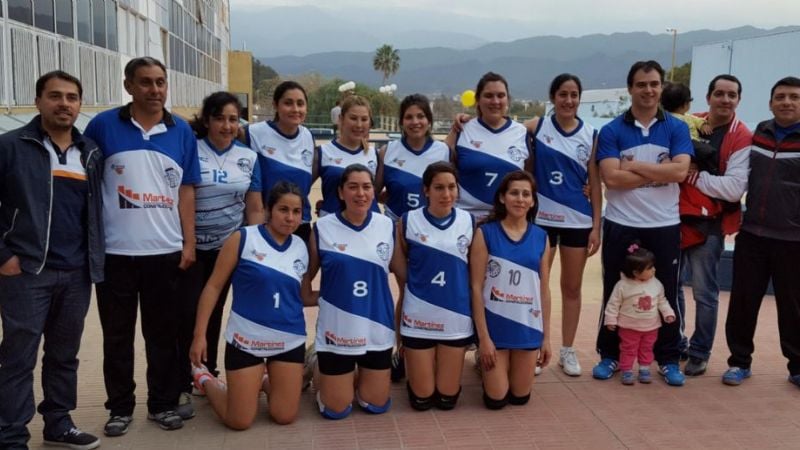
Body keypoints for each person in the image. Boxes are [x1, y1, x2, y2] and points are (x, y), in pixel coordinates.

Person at [84, 56, 201, 434]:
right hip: (115, 253)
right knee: (117, 336)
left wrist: (189, 242)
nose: (154, 90)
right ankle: (119, 408)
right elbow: (88, 184)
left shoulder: (181, 132)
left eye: (160, 82)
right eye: (146, 82)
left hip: (164, 252)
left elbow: (187, 191)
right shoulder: (102, 126)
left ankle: (162, 404)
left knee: (162, 336)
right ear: (129, 86)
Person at [0, 71, 103, 450]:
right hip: (26, 271)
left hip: (76, 273)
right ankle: (11, 435)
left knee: (64, 355)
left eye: (72, 97)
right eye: (55, 96)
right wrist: (4, 256)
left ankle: (58, 424)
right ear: (38, 101)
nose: (64, 104)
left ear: (80, 104)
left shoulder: (90, 152)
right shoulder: (11, 146)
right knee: (18, 357)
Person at [593, 60, 692, 387]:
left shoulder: (676, 128)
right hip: (622, 223)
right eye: (641, 84)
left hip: (664, 224)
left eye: (654, 84)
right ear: (630, 88)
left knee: (667, 293)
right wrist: (660, 171)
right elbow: (611, 179)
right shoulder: (611, 131)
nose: (648, 90)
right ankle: (610, 355)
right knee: (614, 291)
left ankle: (668, 358)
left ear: (661, 87)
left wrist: (632, 168)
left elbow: (680, 172)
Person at [190, 182, 312, 428]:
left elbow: (304, 295)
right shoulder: (243, 238)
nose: (290, 218)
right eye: (283, 210)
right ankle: (205, 379)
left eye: (296, 211)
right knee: (239, 421)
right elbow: (213, 287)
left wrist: (343, 297)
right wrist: (199, 335)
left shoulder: (301, 246)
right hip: (246, 340)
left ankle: (264, 380)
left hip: (288, 340)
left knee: (284, 416)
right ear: (268, 210)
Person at [177, 92, 264, 406]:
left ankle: (205, 371)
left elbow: (254, 207)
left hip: (226, 249)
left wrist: (254, 248)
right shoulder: (192, 149)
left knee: (213, 312)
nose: (227, 126)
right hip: (191, 248)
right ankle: (180, 377)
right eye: (220, 119)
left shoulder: (248, 157)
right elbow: (182, 195)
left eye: (233, 119)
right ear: (207, 120)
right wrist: (187, 242)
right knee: (186, 312)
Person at [305, 164, 403, 419]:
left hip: (376, 326)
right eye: (353, 187)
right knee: (336, 409)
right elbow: (306, 280)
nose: (361, 193)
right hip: (337, 330)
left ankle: (353, 376)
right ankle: (315, 360)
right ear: (341, 192)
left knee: (375, 404)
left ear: (373, 191)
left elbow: (403, 274)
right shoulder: (323, 227)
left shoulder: (387, 226)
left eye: (367, 187)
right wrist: (328, 298)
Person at [722, 76, 800, 388]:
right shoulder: (756, 135)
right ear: (770, 103)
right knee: (743, 302)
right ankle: (739, 362)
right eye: (780, 97)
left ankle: (797, 366)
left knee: (793, 307)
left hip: (793, 240)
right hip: (752, 234)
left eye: (794, 97)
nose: (787, 102)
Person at [675, 75, 751, 376]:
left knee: (704, 292)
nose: (725, 100)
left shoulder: (741, 136)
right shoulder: (688, 122)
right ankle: (676, 343)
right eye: (719, 93)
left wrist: (691, 176)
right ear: (708, 98)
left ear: (738, 100)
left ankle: (699, 351)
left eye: (732, 95)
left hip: (710, 224)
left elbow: (733, 189)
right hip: (674, 217)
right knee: (671, 286)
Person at [527, 74, 602, 376]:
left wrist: (596, 226)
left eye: (574, 95)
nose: (568, 100)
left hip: (577, 221)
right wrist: (467, 120)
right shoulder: (537, 127)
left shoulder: (591, 134)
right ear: (552, 97)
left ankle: (567, 350)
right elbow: (500, 127)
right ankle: (535, 347)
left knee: (571, 287)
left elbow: (595, 183)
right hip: (541, 221)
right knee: (537, 286)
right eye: (563, 94)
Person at [394, 162, 473, 411]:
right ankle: (411, 362)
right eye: (439, 187)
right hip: (419, 317)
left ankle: (434, 362)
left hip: (455, 318)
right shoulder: (408, 221)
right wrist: (419, 287)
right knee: (422, 399)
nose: (446, 194)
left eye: (451, 187)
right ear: (426, 190)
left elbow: (475, 271)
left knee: (447, 400)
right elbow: (400, 266)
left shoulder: (469, 221)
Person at [470, 170, 552, 410]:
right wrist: (483, 339)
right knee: (496, 400)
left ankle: (504, 367)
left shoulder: (541, 237)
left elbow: (544, 291)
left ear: (533, 201)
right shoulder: (485, 233)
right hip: (495, 329)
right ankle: (482, 360)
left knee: (520, 398)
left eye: (526, 194)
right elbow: (476, 287)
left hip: (527, 327)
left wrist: (546, 338)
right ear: (502, 197)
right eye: (514, 193)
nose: (520, 199)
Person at [446, 72, 531, 219]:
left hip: (506, 221)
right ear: (478, 100)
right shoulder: (462, 129)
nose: (495, 101)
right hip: (466, 219)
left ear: (508, 99)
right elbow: (439, 164)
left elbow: (530, 178)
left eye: (501, 95)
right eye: (488, 96)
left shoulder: (522, 133)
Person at [246, 81, 316, 240]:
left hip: (300, 224)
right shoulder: (253, 133)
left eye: (300, 104)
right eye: (288, 103)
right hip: (266, 224)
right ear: (275, 105)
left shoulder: (308, 136)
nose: (295, 109)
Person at [604, 245, 676, 385]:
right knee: (628, 349)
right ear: (636, 272)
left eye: (653, 266)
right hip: (629, 327)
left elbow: (662, 300)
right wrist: (611, 319)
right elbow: (613, 303)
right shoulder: (622, 285)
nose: (654, 270)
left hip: (651, 327)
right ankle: (626, 370)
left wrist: (667, 313)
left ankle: (644, 369)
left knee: (647, 349)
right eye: (649, 268)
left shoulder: (656, 284)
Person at [375, 94, 451, 221]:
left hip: (431, 227)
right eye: (409, 117)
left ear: (429, 121)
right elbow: (373, 193)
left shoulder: (444, 151)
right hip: (395, 226)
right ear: (401, 122)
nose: (415, 122)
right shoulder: (387, 151)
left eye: (420, 116)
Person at [317, 96, 380, 216]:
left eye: (364, 119)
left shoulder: (375, 154)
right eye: (353, 118)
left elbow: (377, 193)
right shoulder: (323, 152)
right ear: (341, 119)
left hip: (369, 225)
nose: (359, 124)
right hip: (332, 224)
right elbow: (300, 189)